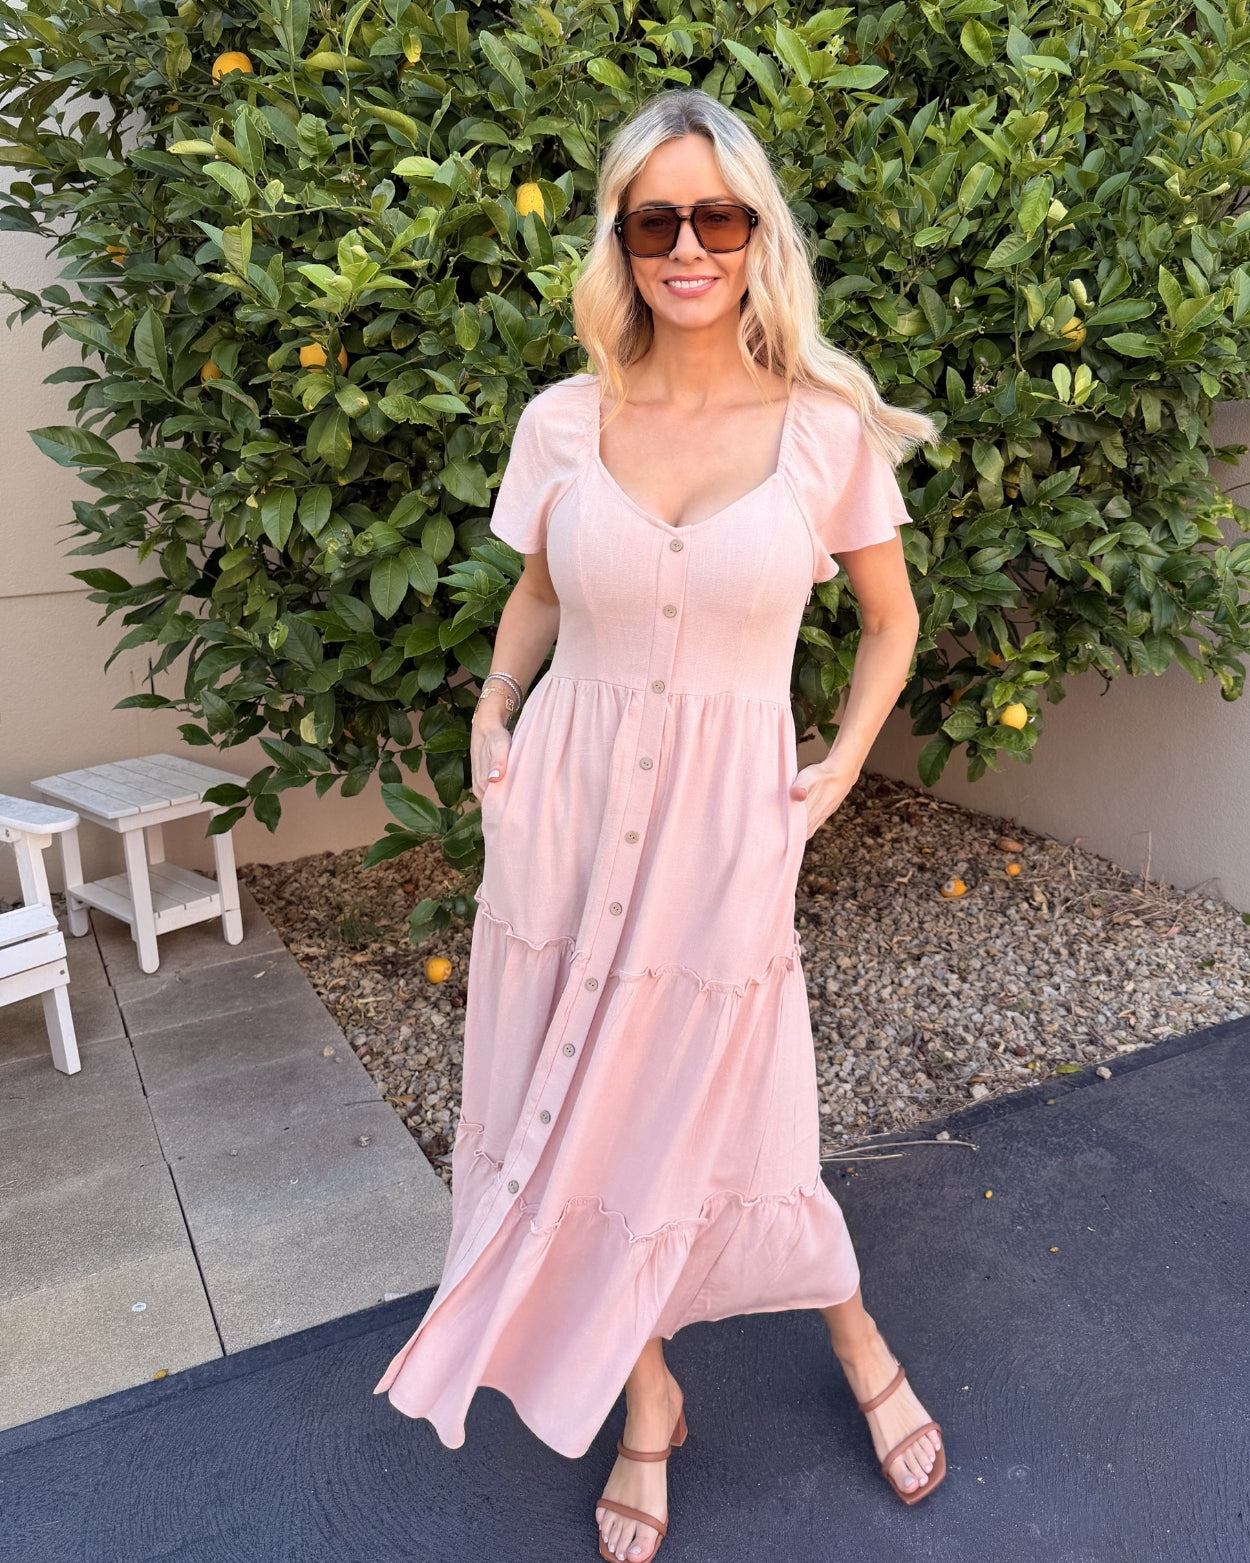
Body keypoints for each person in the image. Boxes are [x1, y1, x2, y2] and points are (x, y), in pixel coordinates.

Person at [373, 86, 945, 1560]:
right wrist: (493, 708)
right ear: (619, 242)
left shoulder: (823, 428)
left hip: (727, 828)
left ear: (758, 234)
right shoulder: (563, 421)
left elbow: (890, 623)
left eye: (716, 217)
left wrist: (842, 762)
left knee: (737, 1108)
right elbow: (538, 592)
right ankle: (646, 1400)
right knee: (575, 1121)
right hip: (563, 808)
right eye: (654, 222)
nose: (687, 247)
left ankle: (858, 1339)